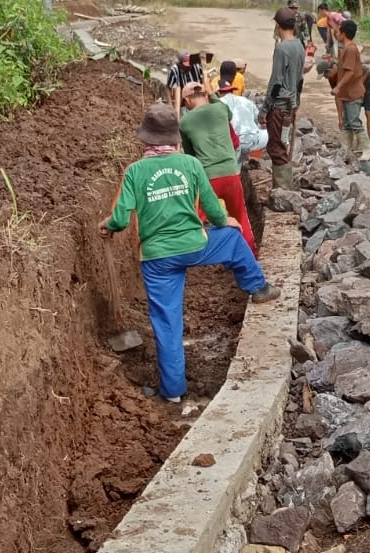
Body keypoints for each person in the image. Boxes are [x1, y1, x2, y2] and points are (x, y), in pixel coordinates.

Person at [101, 103, 279, 401]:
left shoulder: (134, 172)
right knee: (233, 240)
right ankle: (258, 287)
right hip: (195, 245)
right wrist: (227, 221)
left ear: (145, 140)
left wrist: (108, 225)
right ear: (175, 139)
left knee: (167, 324)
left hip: (157, 259)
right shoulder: (191, 165)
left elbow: (120, 219)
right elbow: (212, 210)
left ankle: (172, 393)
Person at [180, 81, 257, 253]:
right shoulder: (221, 110)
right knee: (240, 217)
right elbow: (227, 113)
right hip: (231, 174)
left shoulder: (184, 122)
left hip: (207, 179)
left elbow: (191, 157)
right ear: (206, 95)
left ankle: (190, 253)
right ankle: (250, 254)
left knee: (196, 219)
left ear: (187, 100)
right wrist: (212, 95)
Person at [261, 7, 305, 188]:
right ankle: (283, 186)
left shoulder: (282, 49)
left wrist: (264, 109)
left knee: (276, 147)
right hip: (291, 104)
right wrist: (296, 103)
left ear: (278, 26)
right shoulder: (299, 46)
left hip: (279, 106)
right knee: (283, 144)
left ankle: (282, 190)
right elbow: (300, 80)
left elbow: (276, 82)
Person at [328, 17, 370, 161]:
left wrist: (338, 87)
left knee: (353, 121)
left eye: (338, 31)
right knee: (347, 123)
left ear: (344, 34)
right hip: (347, 93)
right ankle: (344, 148)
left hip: (353, 93)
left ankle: (367, 149)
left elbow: (350, 72)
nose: (336, 33)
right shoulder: (345, 48)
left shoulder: (351, 49)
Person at [217, 72, 266, 160]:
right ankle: (255, 158)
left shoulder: (217, 104)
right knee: (269, 134)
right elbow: (258, 121)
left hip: (234, 143)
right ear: (232, 90)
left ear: (219, 92)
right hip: (253, 141)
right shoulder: (246, 101)